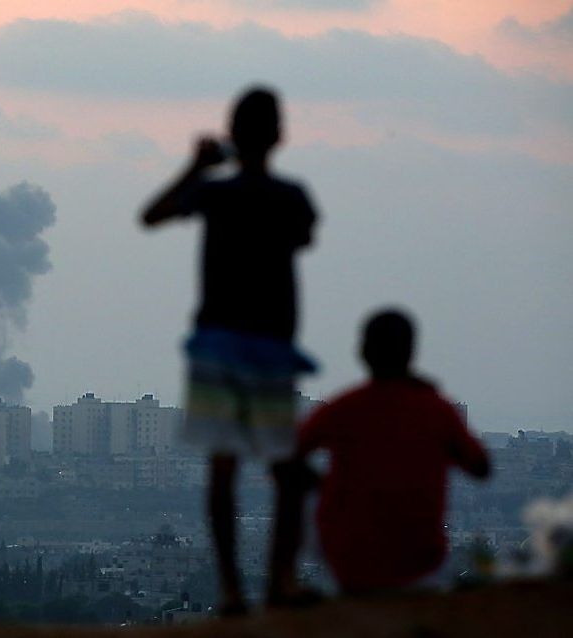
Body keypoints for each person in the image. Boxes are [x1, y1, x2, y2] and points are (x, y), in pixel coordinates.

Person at [140, 86, 320, 614]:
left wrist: (197, 166)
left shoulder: (215, 194)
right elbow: (303, 238)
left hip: (218, 345)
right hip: (270, 348)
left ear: (233, 135)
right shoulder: (291, 198)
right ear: (280, 136)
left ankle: (232, 590)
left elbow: (152, 215)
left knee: (223, 471)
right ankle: (280, 582)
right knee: (286, 468)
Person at [296, 309, 491, 594]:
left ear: (362, 352)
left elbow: (287, 454)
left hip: (349, 555)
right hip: (420, 559)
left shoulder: (343, 408)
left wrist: (322, 487)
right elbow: (481, 467)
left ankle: (284, 580)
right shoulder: (437, 410)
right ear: (411, 353)